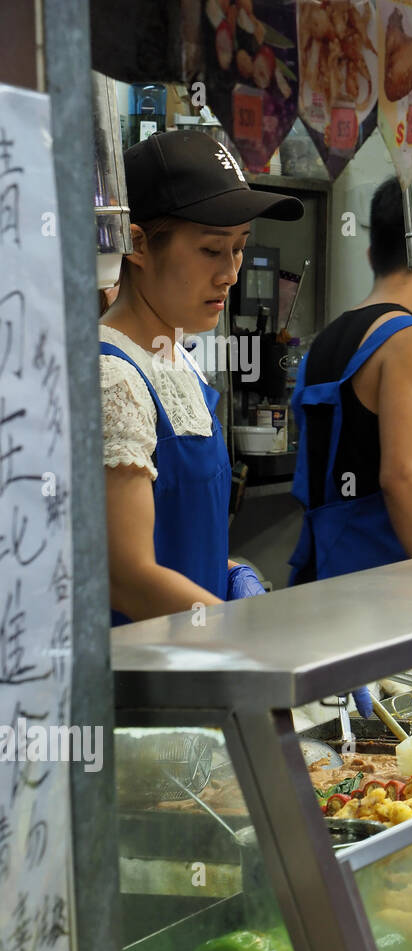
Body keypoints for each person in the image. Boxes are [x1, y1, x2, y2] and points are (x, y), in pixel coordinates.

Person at [100, 130, 303, 624]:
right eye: (212, 250)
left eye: (239, 248)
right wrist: (253, 639)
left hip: (200, 671)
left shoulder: (178, 359)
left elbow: (183, 541)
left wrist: (232, 573)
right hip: (139, 685)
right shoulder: (111, 377)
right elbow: (125, 576)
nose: (231, 273)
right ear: (138, 243)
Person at [288, 178, 412, 583]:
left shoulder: (327, 340)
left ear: (371, 255)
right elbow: (401, 479)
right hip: (387, 582)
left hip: (323, 574)